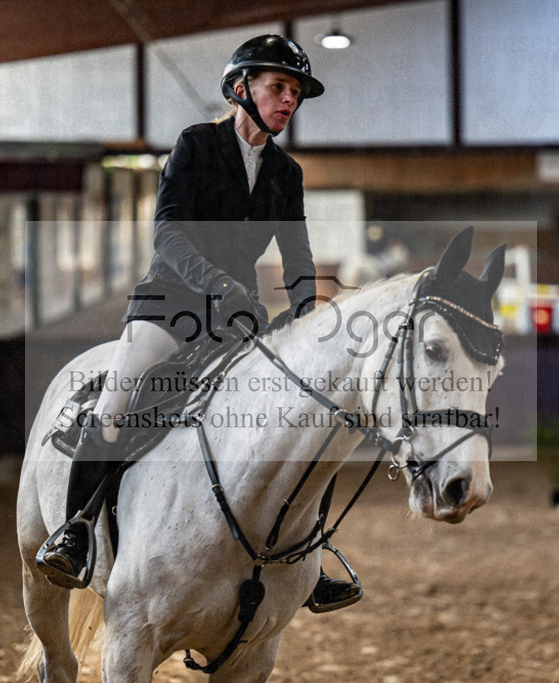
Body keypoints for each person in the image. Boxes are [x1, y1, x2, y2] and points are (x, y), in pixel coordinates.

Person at [37, 34, 363, 612]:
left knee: (313, 410)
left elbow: (298, 254)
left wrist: (310, 309)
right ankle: (77, 532)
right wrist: (218, 286)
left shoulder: (286, 174)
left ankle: (313, 554)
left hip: (235, 322)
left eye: (295, 93)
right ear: (242, 88)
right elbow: (167, 232)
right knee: (117, 402)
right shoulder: (195, 145)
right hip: (169, 306)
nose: (289, 100)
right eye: (279, 88)